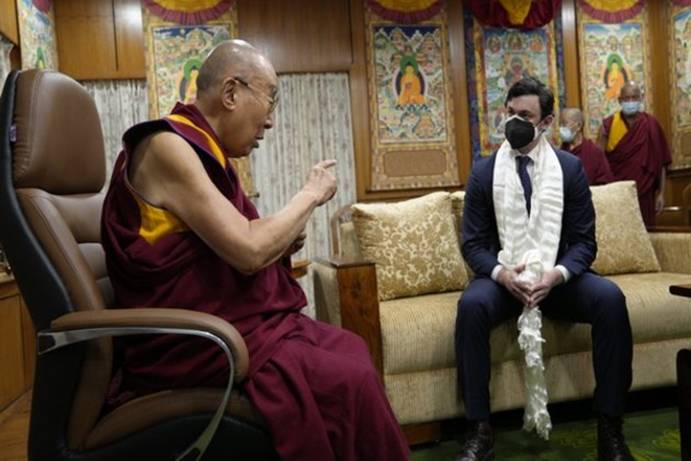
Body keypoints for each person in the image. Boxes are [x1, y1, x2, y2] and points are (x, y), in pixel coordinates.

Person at [101, 40, 409, 461]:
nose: (271, 121)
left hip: (223, 321)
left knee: (351, 349)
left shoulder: (205, 151)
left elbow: (235, 238)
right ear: (230, 93)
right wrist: (311, 193)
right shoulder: (167, 145)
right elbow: (247, 251)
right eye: (270, 99)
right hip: (189, 341)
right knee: (347, 378)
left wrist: (280, 240)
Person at [455, 77, 634, 461]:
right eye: (510, 113)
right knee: (471, 307)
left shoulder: (570, 169)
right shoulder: (484, 173)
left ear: (547, 121)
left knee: (611, 299)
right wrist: (503, 275)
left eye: (525, 115)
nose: (514, 122)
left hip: (557, 280)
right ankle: (478, 429)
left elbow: (585, 242)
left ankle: (610, 428)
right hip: (505, 279)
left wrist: (556, 276)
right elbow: (473, 244)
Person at [598, 81, 672, 227]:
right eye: (626, 98)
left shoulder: (651, 125)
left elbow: (662, 162)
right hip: (618, 195)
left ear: (640, 98)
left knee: (646, 234)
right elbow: (600, 163)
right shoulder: (608, 125)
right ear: (620, 100)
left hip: (645, 194)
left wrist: (662, 194)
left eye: (634, 97)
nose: (630, 102)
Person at [559, 107, 614, 185]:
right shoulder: (562, 150)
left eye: (564, 124)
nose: (561, 128)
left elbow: (605, 181)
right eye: (560, 124)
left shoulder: (593, 152)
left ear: (578, 126)